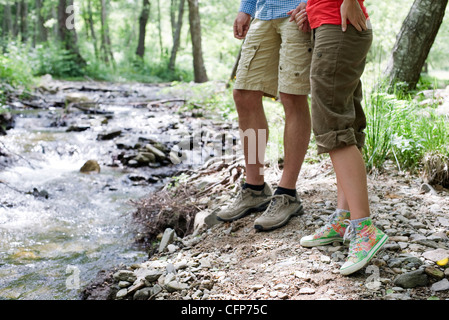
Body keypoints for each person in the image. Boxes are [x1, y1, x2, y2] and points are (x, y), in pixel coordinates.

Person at [292, 0, 389, 275]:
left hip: (339, 25)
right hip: (335, 24)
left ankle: (364, 229)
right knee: (346, 125)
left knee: (332, 128)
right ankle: (343, 219)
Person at [216, 0, 313, 232]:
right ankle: (254, 188)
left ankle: (287, 194)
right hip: (263, 11)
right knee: (244, 93)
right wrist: (246, 8)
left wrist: (314, 4)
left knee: (292, 95)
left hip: (297, 10)